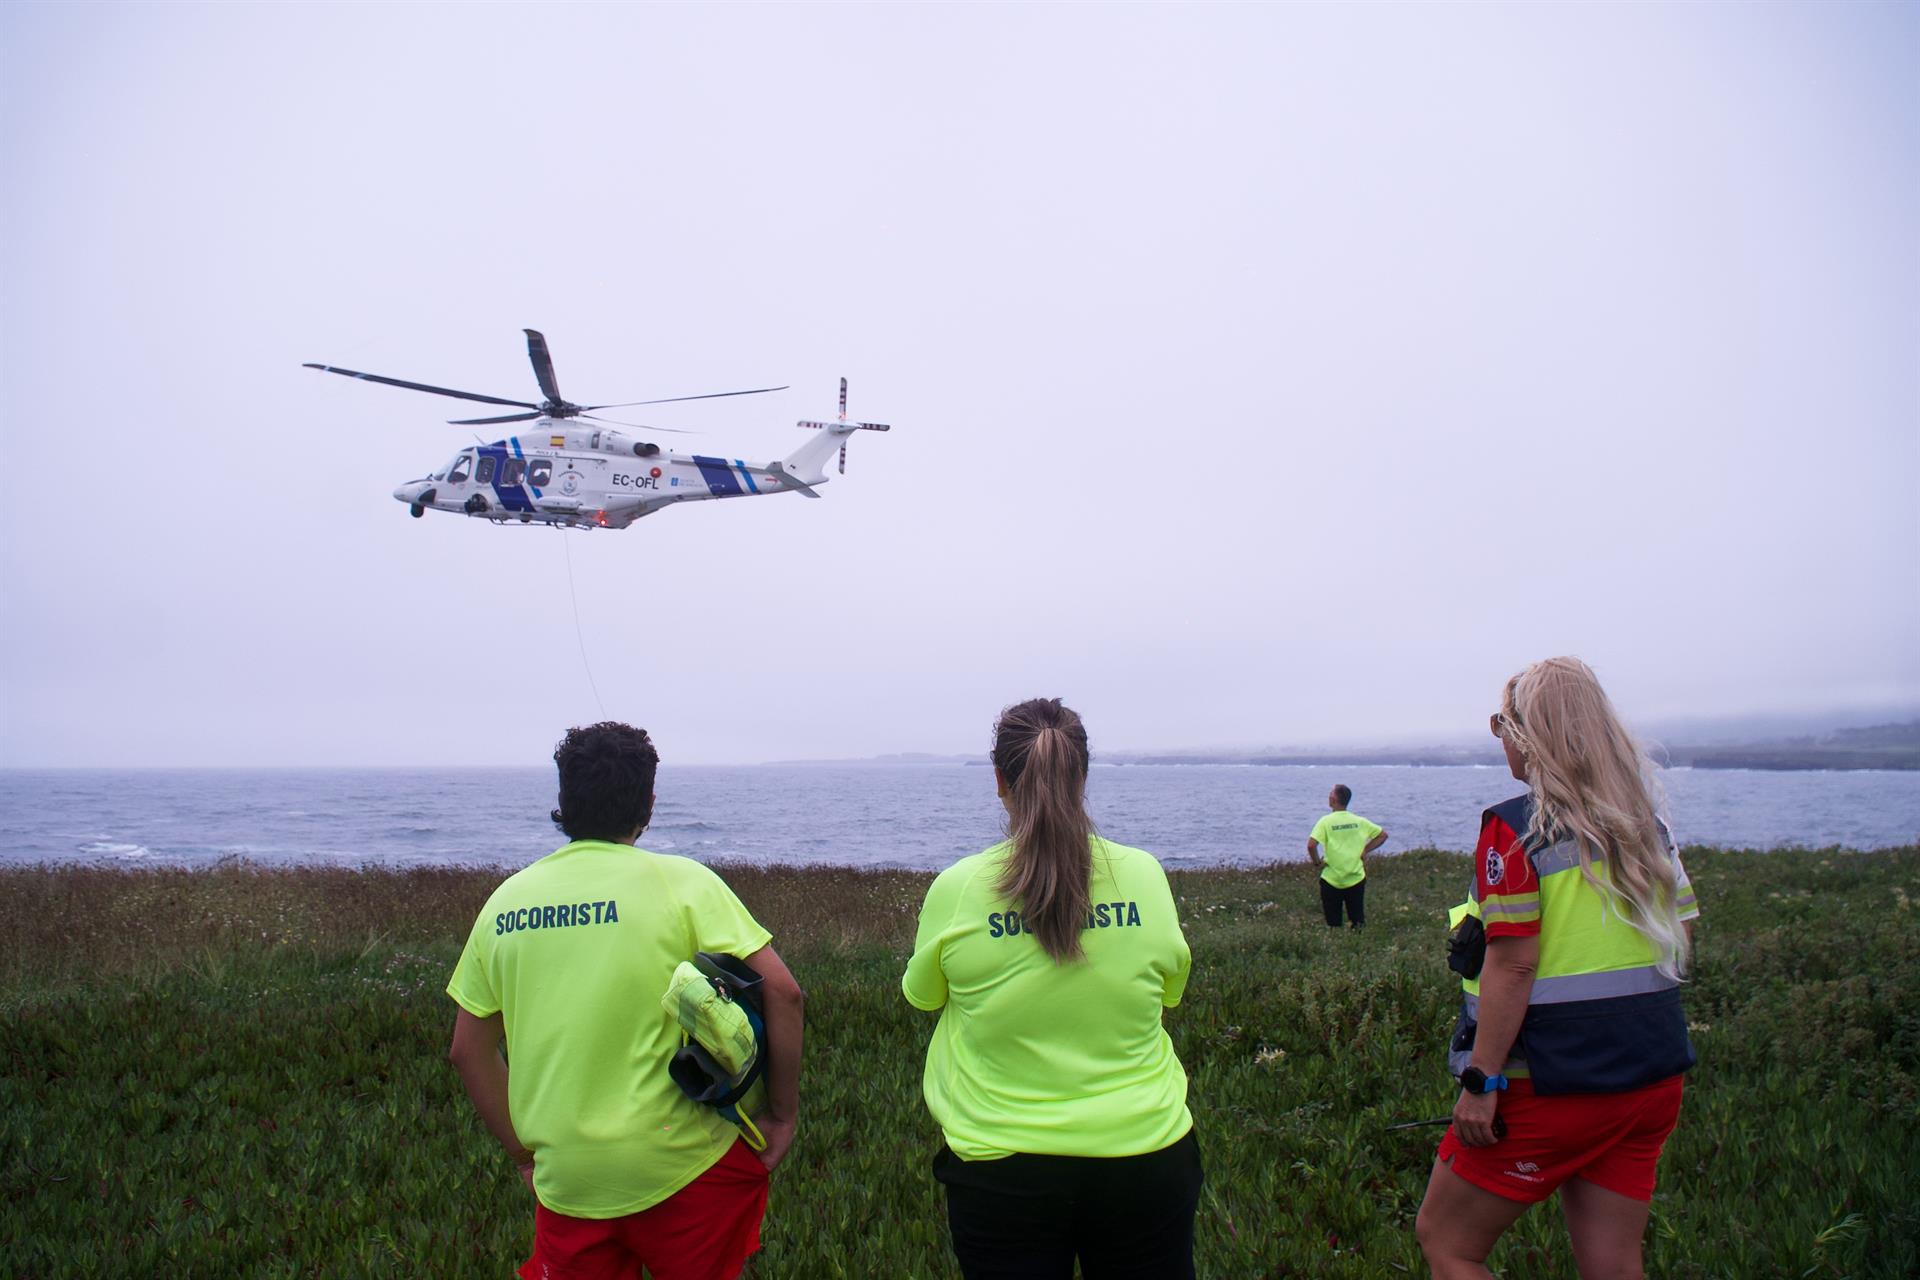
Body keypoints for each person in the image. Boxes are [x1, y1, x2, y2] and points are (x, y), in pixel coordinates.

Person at [446, 722, 805, 1280]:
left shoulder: (504, 905)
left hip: (568, 1180)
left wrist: (525, 1157)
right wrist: (781, 1115)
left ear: (564, 800)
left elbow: (468, 1051)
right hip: (685, 1166)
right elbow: (784, 994)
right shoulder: (684, 883)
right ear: (650, 802)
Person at [1415, 659, 1701, 1280]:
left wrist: (1482, 1083)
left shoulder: (1514, 831)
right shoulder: (1646, 827)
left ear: (1530, 733)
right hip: (1651, 1076)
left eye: (1502, 724)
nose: (1500, 738)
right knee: (1614, 1263)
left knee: (1447, 1243)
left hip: (1551, 1082)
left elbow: (1513, 965)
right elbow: (1682, 935)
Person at [902, 697, 1202, 1280]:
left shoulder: (960, 888)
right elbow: (1169, 992)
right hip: (1147, 1152)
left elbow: (925, 996)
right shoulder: (1143, 874)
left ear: (999, 782)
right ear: (1082, 777)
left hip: (1002, 1165)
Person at [1306, 783, 1388, 928]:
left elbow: (1311, 845)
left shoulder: (1325, 822)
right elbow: (1382, 835)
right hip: (1356, 878)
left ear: (1333, 800)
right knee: (1358, 921)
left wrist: (1317, 863)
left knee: (1333, 924)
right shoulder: (1359, 821)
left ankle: (1336, 946)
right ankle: (1358, 947)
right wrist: (1366, 850)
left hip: (1331, 879)